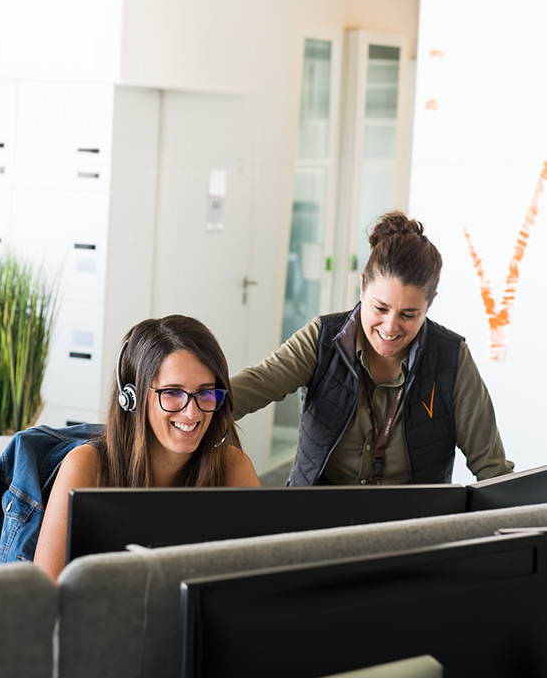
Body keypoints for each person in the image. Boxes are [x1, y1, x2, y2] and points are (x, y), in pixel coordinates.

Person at [231, 211, 514, 487]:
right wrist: (193, 406)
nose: (390, 327)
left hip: (412, 525)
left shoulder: (452, 356)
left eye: (409, 314)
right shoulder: (322, 338)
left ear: (430, 303)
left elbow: (492, 467)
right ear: (363, 285)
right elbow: (255, 385)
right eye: (381, 308)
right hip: (316, 517)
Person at [34, 314, 260, 580]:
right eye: (173, 392)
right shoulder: (87, 465)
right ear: (132, 397)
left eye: (205, 392)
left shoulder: (232, 466)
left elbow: (264, 575)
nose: (191, 413)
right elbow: (44, 596)